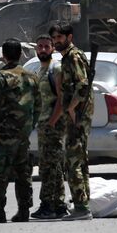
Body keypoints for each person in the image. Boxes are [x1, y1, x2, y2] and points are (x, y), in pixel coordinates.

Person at [0, 39, 41, 224]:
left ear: (4, 56)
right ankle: (24, 211)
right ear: (20, 54)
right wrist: (28, 126)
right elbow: (38, 107)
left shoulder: (1, 77)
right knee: (23, 172)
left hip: (4, 134)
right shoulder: (32, 77)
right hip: (23, 135)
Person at [48, 22, 94, 221]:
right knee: (80, 160)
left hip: (78, 116)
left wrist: (72, 108)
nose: (56, 41)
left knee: (73, 161)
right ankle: (83, 204)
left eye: (59, 37)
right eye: (54, 38)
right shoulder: (69, 56)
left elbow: (82, 85)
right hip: (77, 115)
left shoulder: (73, 57)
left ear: (69, 37)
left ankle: (82, 207)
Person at [30, 34, 69, 220]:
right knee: (53, 165)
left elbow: (62, 99)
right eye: (40, 47)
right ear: (36, 49)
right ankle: (60, 204)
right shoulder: (40, 71)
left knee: (48, 166)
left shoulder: (56, 68)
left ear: (53, 48)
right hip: (44, 124)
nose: (43, 49)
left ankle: (47, 205)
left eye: (47, 46)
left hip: (53, 124)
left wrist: (53, 121)